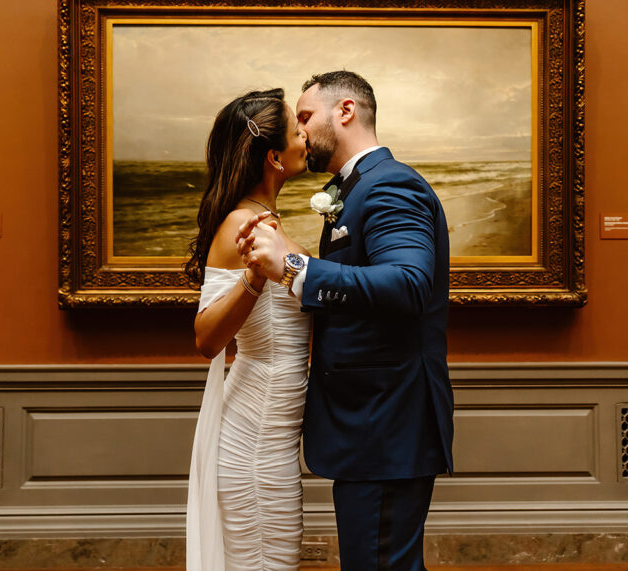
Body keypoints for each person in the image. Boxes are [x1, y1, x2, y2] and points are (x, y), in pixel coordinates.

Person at [237, 71, 455, 571]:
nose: (300, 130)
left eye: (307, 116)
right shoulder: (355, 189)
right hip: (372, 420)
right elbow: (361, 284)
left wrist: (295, 268)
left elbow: (408, 283)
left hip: (387, 419)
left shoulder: (390, 184)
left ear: (347, 111)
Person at [184, 87, 312, 571]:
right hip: (254, 440)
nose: (306, 134)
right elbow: (206, 338)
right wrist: (255, 279)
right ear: (275, 157)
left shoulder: (266, 223)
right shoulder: (243, 224)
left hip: (275, 438)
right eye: (296, 129)